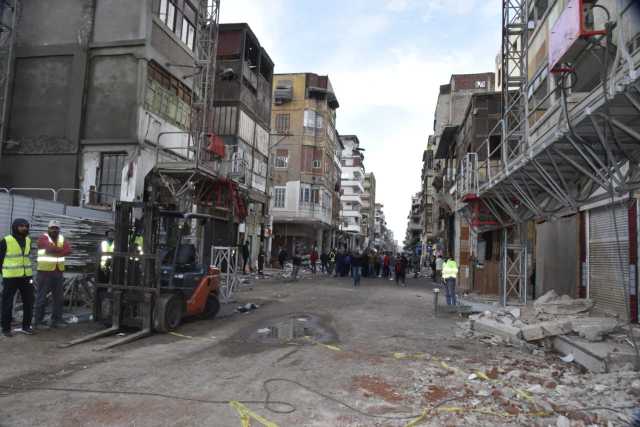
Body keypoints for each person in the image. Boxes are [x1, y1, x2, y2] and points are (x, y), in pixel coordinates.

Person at [0, 218, 34, 337]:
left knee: (29, 301)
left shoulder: (28, 240)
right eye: (21, 226)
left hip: (27, 276)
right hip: (11, 277)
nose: (24, 228)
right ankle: (6, 328)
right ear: (15, 227)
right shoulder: (6, 241)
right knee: (7, 303)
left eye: (26, 226)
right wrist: (3, 274)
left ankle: (26, 326)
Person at [35, 220, 71, 328]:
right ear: (48, 229)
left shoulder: (62, 239)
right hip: (44, 272)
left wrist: (55, 250)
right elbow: (48, 248)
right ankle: (38, 322)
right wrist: (60, 250)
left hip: (58, 272)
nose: (54, 230)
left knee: (58, 298)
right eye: (52, 228)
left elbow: (68, 250)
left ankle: (56, 320)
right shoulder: (43, 238)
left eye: (56, 228)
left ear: (59, 230)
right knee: (42, 298)